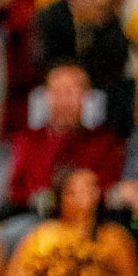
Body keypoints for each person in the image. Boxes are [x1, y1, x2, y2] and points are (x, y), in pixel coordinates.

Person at [0, 167, 138, 276]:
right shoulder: (42, 233)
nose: (86, 194)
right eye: (76, 190)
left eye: (91, 187)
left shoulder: (111, 235)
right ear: (61, 195)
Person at [35, 0, 133, 133]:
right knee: (57, 91)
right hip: (60, 78)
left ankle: (109, 145)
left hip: (99, 83)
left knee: (117, 92)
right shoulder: (54, 13)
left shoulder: (107, 15)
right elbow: (42, 53)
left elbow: (118, 55)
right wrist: (68, 74)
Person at [7, 63, 125, 213]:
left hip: (93, 221)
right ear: (46, 96)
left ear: (86, 97)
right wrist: (41, 199)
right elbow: (14, 191)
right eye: (57, 92)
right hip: (36, 218)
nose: (63, 101)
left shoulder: (105, 141)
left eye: (70, 92)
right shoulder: (28, 139)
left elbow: (111, 188)